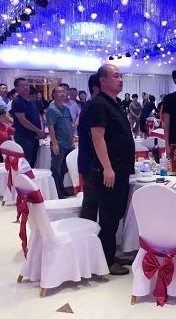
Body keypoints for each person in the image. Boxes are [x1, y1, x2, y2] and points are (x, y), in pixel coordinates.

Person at [88, 64, 135, 275]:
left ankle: (110, 254)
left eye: (121, 76)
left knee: (116, 214)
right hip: (110, 170)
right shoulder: (99, 104)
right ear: (103, 80)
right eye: (116, 76)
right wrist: (107, 167)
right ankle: (105, 261)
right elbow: (98, 138)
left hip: (120, 169)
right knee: (108, 215)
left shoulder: (115, 103)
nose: (120, 79)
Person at [78, 74, 101, 221]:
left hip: (90, 160)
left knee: (92, 201)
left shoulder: (90, 105)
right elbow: (95, 137)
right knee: (91, 202)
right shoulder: (92, 106)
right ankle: (87, 230)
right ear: (96, 88)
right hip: (91, 161)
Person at [46, 86, 74, 199]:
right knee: (56, 169)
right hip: (59, 144)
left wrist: (72, 139)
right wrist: (54, 143)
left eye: (64, 92)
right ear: (53, 94)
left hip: (68, 143)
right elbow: (51, 126)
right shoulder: (51, 109)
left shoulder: (66, 108)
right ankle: (56, 191)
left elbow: (70, 125)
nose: (63, 94)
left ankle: (61, 188)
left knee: (64, 168)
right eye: (59, 92)